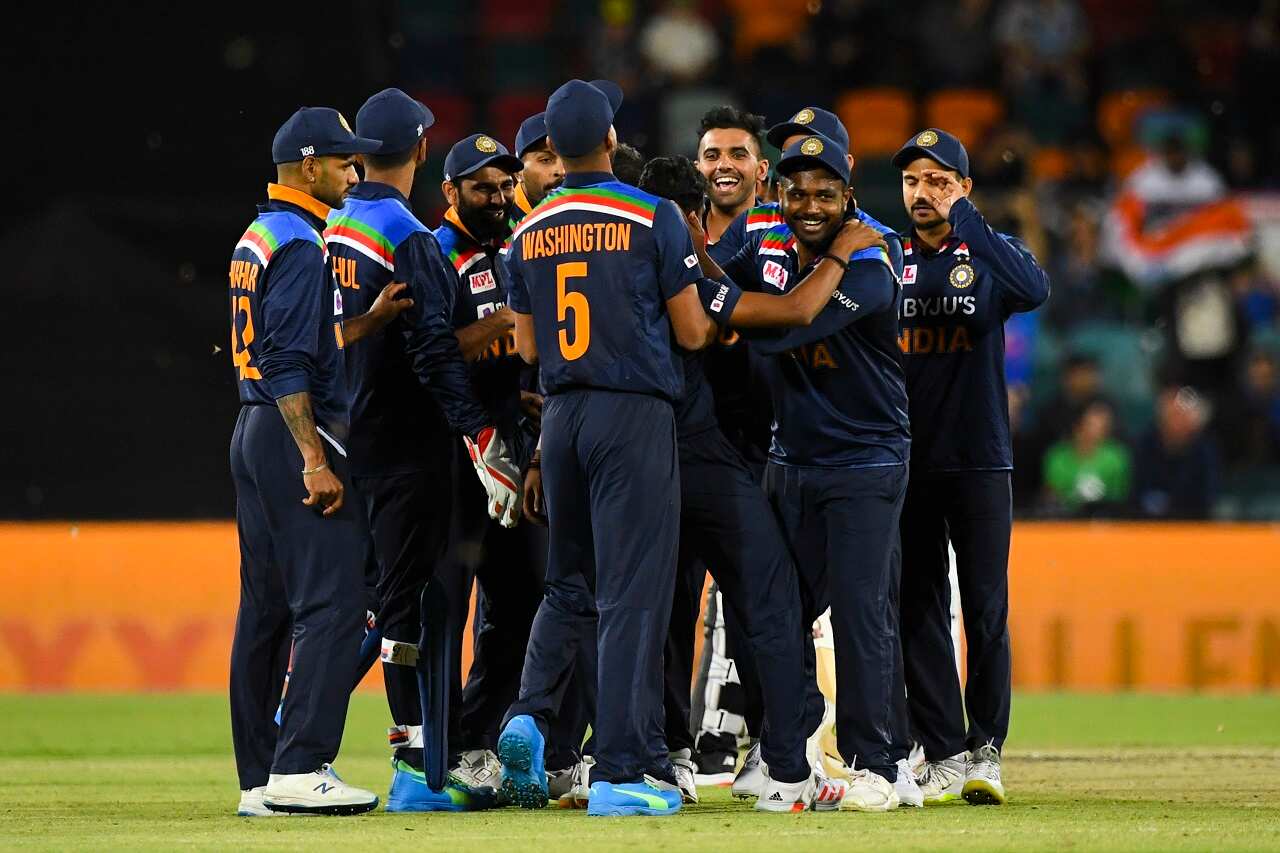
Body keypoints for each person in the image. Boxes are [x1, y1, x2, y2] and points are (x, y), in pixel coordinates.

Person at [641, 155, 890, 811]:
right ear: (692, 216)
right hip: (704, 457)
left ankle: (630, 759)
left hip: (624, 458)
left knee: (632, 609)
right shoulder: (685, 266)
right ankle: (784, 769)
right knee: (772, 596)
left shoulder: (614, 261)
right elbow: (783, 319)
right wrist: (840, 252)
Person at [496, 78, 715, 818]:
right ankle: (623, 769)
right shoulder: (654, 215)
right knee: (632, 593)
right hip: (633, 414)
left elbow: (525, 343)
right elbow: (690, 332)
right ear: (613, 140)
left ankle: (527, 712)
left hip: (560, 418)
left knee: (568, 584)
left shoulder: (529, 230)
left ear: (552, 148)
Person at [696, 132, 911, 812]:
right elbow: (709, 269)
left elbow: (785, 329)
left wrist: (723, 308)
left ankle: (879, 764)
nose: (809, 205)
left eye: (823, 193)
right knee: (776, 610)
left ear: (848, 193)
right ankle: (783, 757)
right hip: (791, 460)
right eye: (795, 192)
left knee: (858, 613)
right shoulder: (776, 246)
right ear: (776, 194)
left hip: (864, 461)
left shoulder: (871, 260)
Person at [324, 88, 522, 812]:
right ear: (420, 153)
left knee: (390, 603)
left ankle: (413, 748)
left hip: (356, 436)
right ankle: (414, 761)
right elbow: (434, 355)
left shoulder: (339, 223)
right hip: (415, 447)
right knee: (412, 604)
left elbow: (338, 331)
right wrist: (480, 434)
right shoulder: (409, 235)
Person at [228, 106, 387, 816]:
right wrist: (312, 458)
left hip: (251, 425)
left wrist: (366, 322)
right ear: (311, 163)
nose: (356, 172)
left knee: (263, 607)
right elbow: (288, 358)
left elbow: (291, 338)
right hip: (290, 432)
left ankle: (259, 778)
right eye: (346, 161)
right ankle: (302, 765)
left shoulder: (260, 234)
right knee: (333, 600)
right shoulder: (302, 244)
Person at [890, 128, 1050, 806]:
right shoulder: (885, 256)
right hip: (907, 460)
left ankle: (988, 747)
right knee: (917, 607)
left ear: (964, 187)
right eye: (912, 181)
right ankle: (945, 748)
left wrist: (969, 223)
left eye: (938, 180)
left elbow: (1034, 288)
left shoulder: (989, 253)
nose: (922, 192)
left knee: (985, 606)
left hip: (981, 458)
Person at [432, 132, 545, 788]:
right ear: (451, 191)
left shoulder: (520, 245)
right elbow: (427, 354)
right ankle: (435, 747)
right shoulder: (433, 252)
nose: (498, 197)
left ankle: (478, 739)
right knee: (444, 604)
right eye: (483, 187)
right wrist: (502, 324)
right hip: (450, 455)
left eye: (505, 186)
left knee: (518, 600)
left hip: (512, 446)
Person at [1133, 385, 1220, 519]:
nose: (1178, 422)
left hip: (1193, 526)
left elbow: (1207, 498)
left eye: (1183, 416)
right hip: (1149, 525)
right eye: (1173, 415)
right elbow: (1137, 495)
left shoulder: (1204, 450)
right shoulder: (1144, 445)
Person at [1042, 399, 1131, 515]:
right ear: (1077, 425)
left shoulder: (1116, 458)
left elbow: (1120, 499)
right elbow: (1050, 498)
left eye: (1103, 425)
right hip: (1065, 523)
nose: (1098, 430)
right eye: (1092, 424)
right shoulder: (1057, 457)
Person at [511, 112, 564, 227]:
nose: (561, 171)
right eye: (545, 160)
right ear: (518, 172)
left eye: (567, 158)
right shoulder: (496, 228)